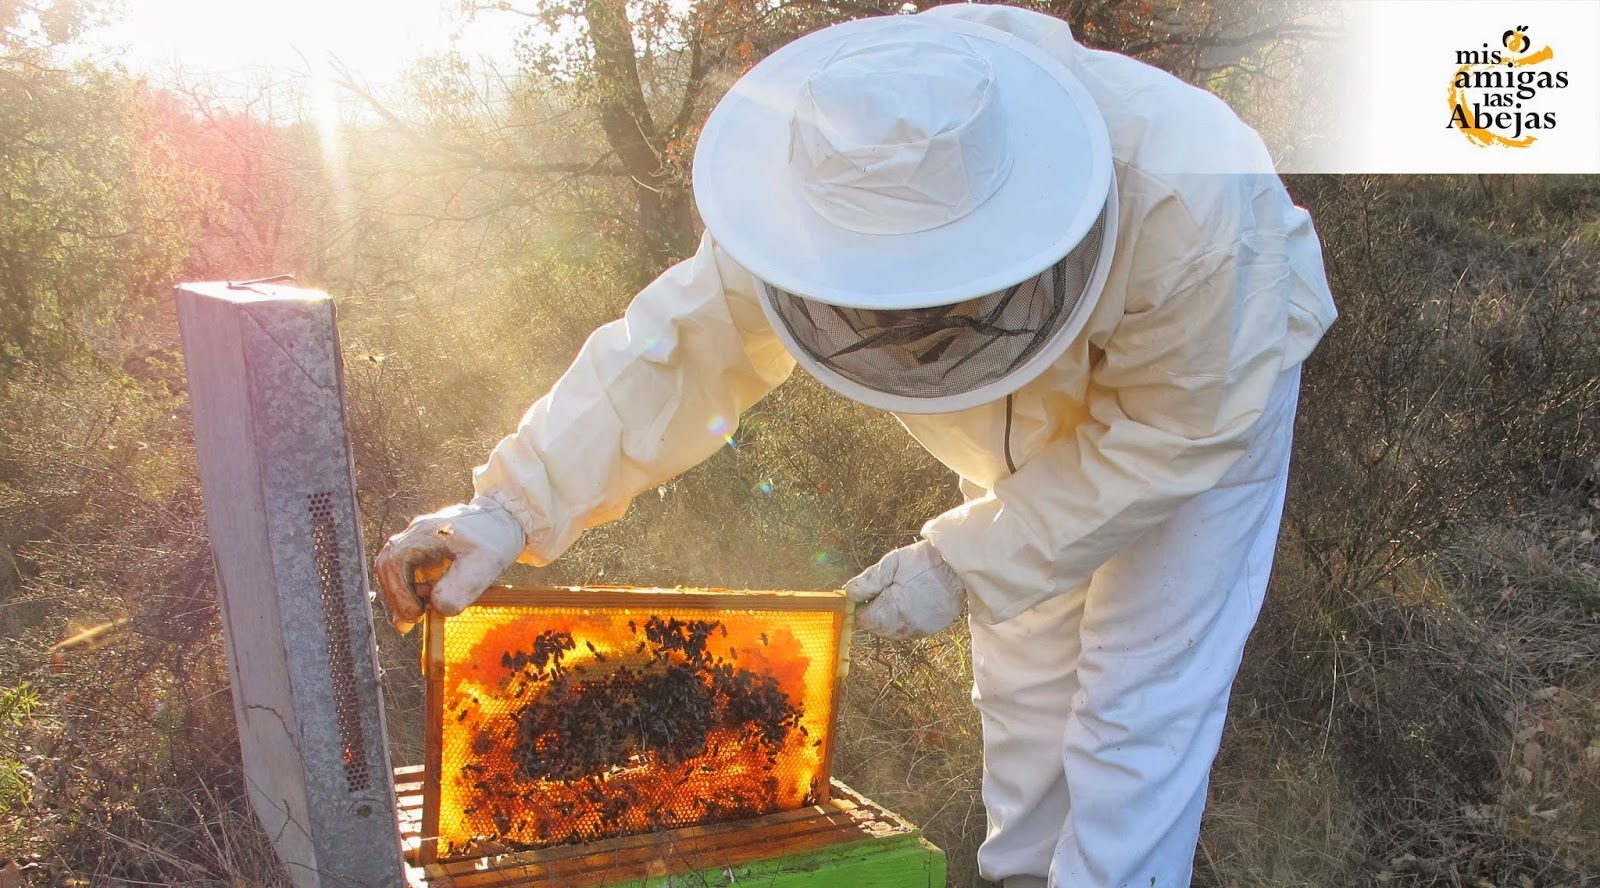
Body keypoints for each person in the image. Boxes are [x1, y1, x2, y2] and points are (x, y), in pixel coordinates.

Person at [374, 6, 1337, 887]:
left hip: (1200, 412)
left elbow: (1172, 435)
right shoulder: (836, 178)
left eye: (935, 304)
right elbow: (675, 353)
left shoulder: (1195, 199)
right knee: (1027, 674)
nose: (903, 329)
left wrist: (962, 560)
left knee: (1137, 704)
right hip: (1027, 419)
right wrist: (510, 508)